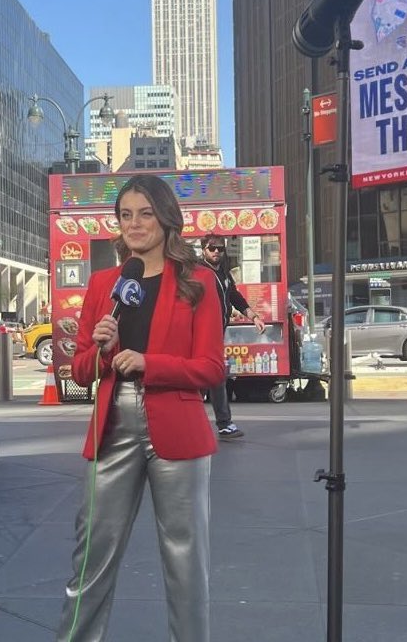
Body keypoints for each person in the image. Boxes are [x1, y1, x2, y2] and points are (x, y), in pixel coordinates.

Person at [56, 174, 224, 642]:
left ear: (166, 218)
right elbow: (80, 371)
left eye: (145, 213)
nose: (134, 224)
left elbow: (211, 368)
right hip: (112, 427)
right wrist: (101, 348)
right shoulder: (104, 283)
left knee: (185, 561)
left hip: (177, 426)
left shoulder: (200, 283)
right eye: (125, 215)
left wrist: (152, 364)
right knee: (90, 554)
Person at [199, 234, 265, 439]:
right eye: (212, 248)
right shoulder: (198, 271)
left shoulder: (224, 273)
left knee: (213, 376)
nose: (216, 251)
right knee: (212, 375)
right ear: (203, 250)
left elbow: (235, 296)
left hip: (217, 331)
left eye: (220, 248)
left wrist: (252, 316)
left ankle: (222, 423)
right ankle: (222, 423)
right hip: (201, 332)